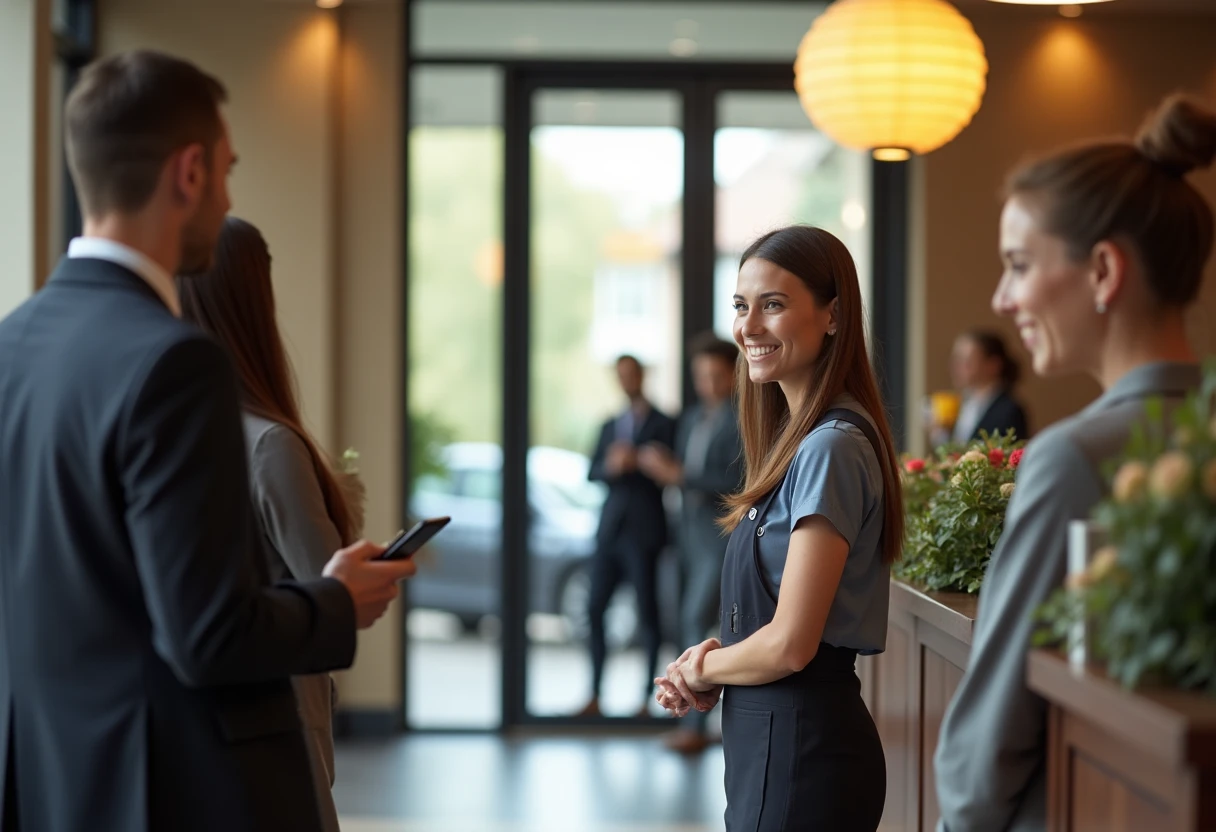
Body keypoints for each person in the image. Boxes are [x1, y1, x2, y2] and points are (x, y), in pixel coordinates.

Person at [0, 51, 415, 832]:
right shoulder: (174, 362)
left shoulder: (12, 345)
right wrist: (335, 601)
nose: (227, 194)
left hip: (48, 781)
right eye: (226, 169)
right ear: (188, 173)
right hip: (167, 786)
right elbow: (207, 635)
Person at [934, 93, 1215, 832]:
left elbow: (989, 738)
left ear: (1101, 271)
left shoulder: (1076, 457)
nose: (1004, 297)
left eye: (1020, 265)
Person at [656, 225, 904, 832]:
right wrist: (719, 656)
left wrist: (699, 671)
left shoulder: (830, 448)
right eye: (742, 305)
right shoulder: (796, 444)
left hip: (804, 750)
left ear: (833, 316)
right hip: (772, 739)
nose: (750, 327)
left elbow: (793, 643)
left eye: (774, 304)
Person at [177, 217, 360, 832]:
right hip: (279, 712)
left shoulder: (175, 431)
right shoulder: (269, 445)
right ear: (254, 301)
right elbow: (330, 584)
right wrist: (347, 507)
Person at [638, 334, 743, 754]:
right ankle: (696, 725)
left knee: (697, 622)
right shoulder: (694, 417)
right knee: (685, 622)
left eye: (717, 375)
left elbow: (737, 482)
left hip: (720, 537)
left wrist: (679, 475)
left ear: (734, 374)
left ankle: (697, 729)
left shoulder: (740, 419)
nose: (709, 384)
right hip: (687, 536)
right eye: (702, 376)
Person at [579, 355, 677, 718]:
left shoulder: (664, 423)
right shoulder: (609, 425)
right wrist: (611, 465)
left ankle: (646, 699)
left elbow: (674, 469)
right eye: (621, 376)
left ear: (642, 376)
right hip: (610, 532)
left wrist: (639, 461)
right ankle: (594, 694)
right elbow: (591, 472)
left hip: (645, 532)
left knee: (648, 614)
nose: (627, 381)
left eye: (631, 374)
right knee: (594, 609)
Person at [930, 330, 1029, 446]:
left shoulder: (1009, 411)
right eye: (956, 359)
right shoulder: (964, 404)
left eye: (966, 360)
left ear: (993, 365)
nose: (956, 367)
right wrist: (941, 435)